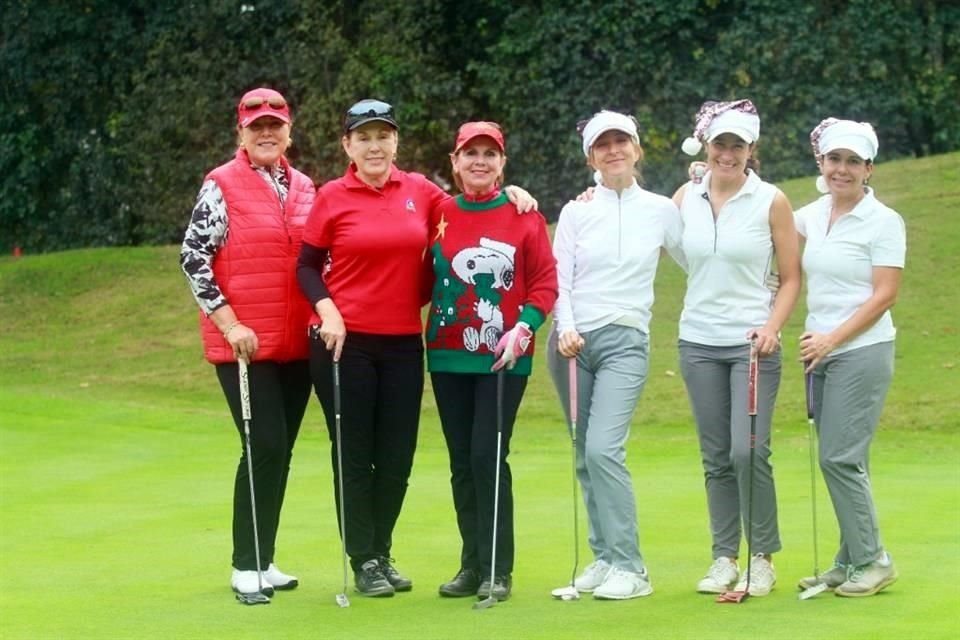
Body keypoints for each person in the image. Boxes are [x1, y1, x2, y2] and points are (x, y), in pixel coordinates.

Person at [296, 100, 537, 598]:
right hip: (345, 342)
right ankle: (363, 558)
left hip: (405, 343)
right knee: (356, 453)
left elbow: (472, 215)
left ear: (396, 143)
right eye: (363, 138)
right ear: (348, 146)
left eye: (383, 136)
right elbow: (306, 266)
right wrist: (328, 311)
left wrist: (512, 195)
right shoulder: (332, 196)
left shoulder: (423, 194)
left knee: (397, 456)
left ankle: (381, 551)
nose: (375, 146)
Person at [180, 87, 314, 600]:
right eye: (256, 125)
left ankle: (265, 558)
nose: (266, 132)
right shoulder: (221, 184)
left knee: (280, 452)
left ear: (288, 132)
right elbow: (194, 257)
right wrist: (229, 322)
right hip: (246, 344)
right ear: (241, 131)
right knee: (265, 445)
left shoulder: (305, 187)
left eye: (274, 124)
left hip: (297, 346)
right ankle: (244, 565)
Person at [547, 110, 685, 600]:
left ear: (637, 149)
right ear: (591, 157)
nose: (613, 151)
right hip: (571, 344)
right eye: (602, 144)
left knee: (605, 448)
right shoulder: (577, 210)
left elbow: (696, 259)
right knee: (586, 455)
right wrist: (564, 327)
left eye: (621, 141)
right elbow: (558, 277)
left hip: (625, 340)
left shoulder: (662, 209)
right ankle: (605, 557)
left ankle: (632, 567)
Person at [425, 122, 558, 602]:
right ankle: (472, 563)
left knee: (487, 456)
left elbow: (544, 283)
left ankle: (498, 570)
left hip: (502, 359)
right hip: (446, 356)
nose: (479, 161)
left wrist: (524, 328)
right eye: (470, 153)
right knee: (462, 462)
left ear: (502, 163)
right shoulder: (439, 211)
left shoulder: (523, 215)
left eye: (489, 154)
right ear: (455, 161)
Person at [673, 99, 801, 596]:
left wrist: (772, 326)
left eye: (738, 145)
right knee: (716, 455)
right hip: (698, 342)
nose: (728, 153)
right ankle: (725, 555)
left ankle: (762, 558)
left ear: (752, 150)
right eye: (720, 143)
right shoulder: (686, 195)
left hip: (753, 346)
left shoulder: (772, 200)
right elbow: (650, 230)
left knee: (748, 451)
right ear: (707, 146)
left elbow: (791, 278)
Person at [794, 118, 905, 597]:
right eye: (834, 159)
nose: (842, 169)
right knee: (837, 457)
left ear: (869, 169)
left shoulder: (884, 221)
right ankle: (848, 558)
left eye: (852, 162)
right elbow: (757, 220)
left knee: (840, 457)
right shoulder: (808, 215)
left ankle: (874, 560)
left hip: (862, 349)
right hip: (823, 352)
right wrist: (699, 182)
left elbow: (884, 296)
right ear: (821, 163)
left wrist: (830, 340)